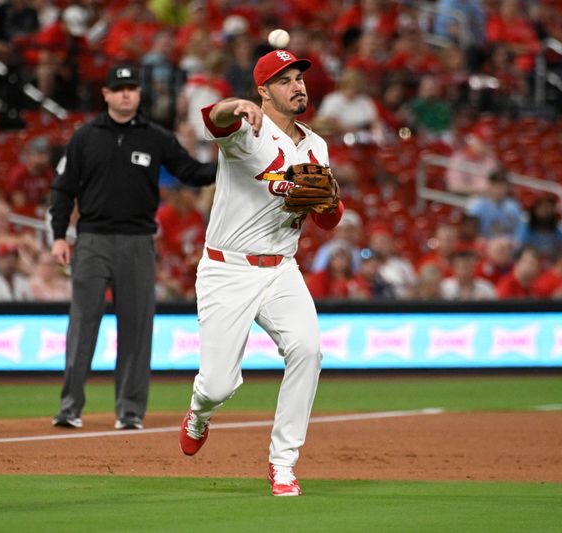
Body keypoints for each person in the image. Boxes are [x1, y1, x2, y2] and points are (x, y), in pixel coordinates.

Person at [178, 49, 344, 497]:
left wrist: (330, 203)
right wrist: (237, 105)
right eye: (285, 80)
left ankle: (283, 463)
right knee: (217, 384)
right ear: (264, 91)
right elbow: (214, 119)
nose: (298, 86)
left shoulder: (316, 145)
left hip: (281, 268)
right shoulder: (247, 129)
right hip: (227, 269)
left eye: (300, 78)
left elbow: (328, 219)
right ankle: (199, 410)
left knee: (308, 350)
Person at [49, 64, 216, 431]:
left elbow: (190, 171)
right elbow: (63, 189)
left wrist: (229, 164)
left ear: (139, 94)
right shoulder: (84, 137)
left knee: (137, 327)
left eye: (131, 88)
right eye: (118, 88)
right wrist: (60, 235)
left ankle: (130, 411)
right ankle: (70, 407)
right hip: (91, 239)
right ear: (106, 94)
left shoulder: (155, 137)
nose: (126, 94)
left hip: (139, 241)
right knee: (82, 324)